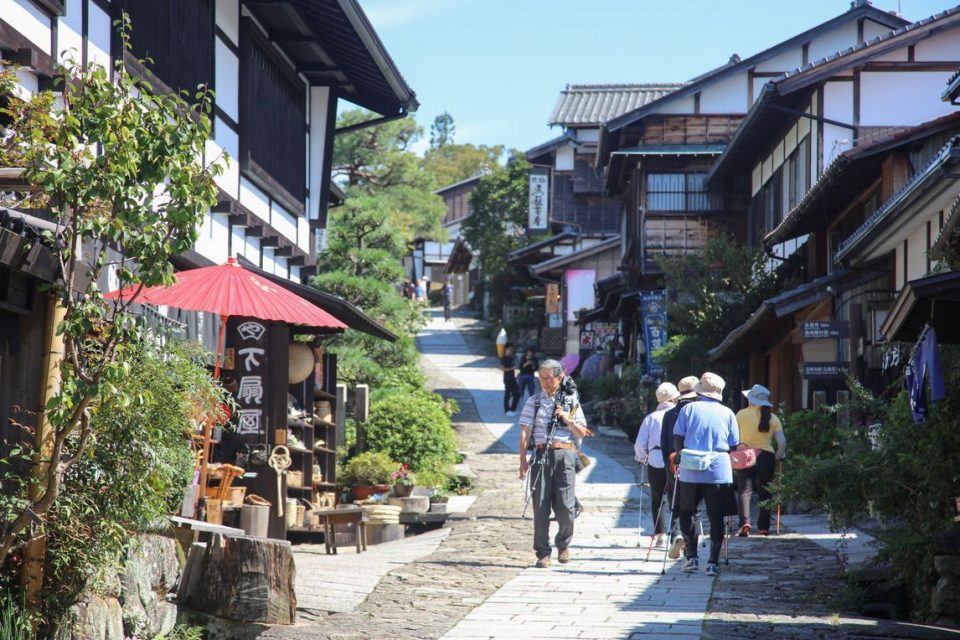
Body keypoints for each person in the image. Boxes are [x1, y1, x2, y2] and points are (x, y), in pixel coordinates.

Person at [518, 359, 589, 568]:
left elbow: (582, 431)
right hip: (540, 455)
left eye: (549, 378)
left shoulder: (570, 401)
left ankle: (563, 544)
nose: (545, 383)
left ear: (560, 378)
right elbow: (524, 432)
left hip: (565, 455)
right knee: (540, 506)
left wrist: (567, 419)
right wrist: (522, 460)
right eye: (542, 379)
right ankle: (543, 552)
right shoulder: (534, 402)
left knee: (566, 507)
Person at [672, 372, 739, 577]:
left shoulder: (688, 409)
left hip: (691, 469)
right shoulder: (728, 413)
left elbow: (678, 436)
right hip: (718, 470)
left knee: (687, 512)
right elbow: (733, 443)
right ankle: (713, 562)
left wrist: (680, 456)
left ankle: (691, 557)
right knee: (716, 515)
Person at [734, 384, 787, 537]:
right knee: (766, 492)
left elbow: (734, 436)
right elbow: (782, 442)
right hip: (766, 456)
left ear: (751, 400)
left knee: (744, 491)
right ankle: (763, 527)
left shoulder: (741, 414)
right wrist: (781, 454)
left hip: (746, 455)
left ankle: (744, 523)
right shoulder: (773, 418)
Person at [634, 382, 680, 548]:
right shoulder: (678, 415)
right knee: (676, 496)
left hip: (654, 459)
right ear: (674, 398)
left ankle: (660, 535)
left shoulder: (651, 418)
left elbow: (640, 444)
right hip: (675, 459)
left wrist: (641, 458)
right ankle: (677, 534)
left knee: (657, 498)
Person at [660, 375, 700, 559]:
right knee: (692, 507)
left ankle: (676, 534)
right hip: (694, 464)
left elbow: (664, 443)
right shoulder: (698, 413)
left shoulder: (669, 415)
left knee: (675, 504)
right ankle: (690, 547)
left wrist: (669, 468)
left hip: (673, 462)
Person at [500, 343, 520, 416]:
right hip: (507, 378)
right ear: (506, 349)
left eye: (512, 350)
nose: (511, 351)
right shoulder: (503, 358)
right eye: (510, 349)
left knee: (517, 394)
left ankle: (512, 409)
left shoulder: (512, 358)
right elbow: (502, 368)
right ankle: (507, 410)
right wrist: (512, 368)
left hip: (513, 378)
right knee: (507, 394)